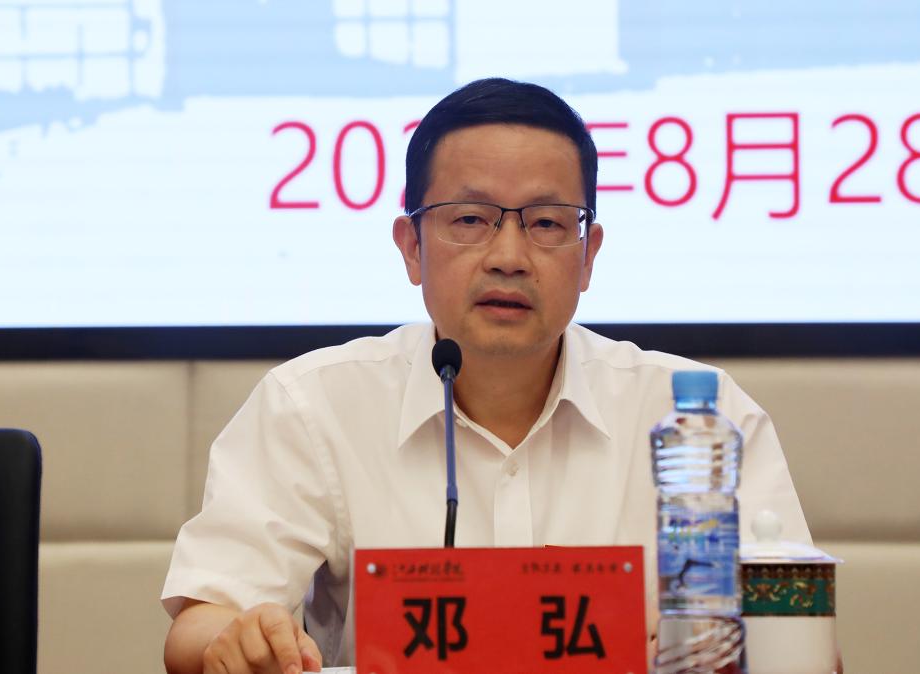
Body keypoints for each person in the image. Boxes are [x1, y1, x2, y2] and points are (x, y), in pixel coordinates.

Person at [161, 78, 811, 674]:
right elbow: (202, 622)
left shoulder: (700, 418)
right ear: (411, 247)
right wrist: (240, 641)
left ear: (588, 255)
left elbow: (802, 642)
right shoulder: (312, 405)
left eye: (547, 223)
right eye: (470, 219)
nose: (508, 256)